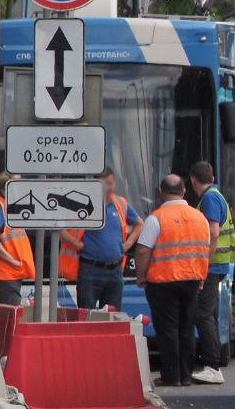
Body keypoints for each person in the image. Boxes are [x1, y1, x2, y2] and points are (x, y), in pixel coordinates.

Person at [135, 174, 210, 387]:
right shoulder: (199, 218)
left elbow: (143, 251)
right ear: (184, 191)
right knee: (187, 328)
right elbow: (205, 249)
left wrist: (141, 276)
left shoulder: (156, 218)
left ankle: (171, 376)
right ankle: (186, 375)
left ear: (161, 192)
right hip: (192, 281)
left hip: (163, 282)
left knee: (168, 329)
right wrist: (201, 276)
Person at [62, 166, 142, 310]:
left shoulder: (121, 203)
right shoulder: (82, 203)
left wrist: (127, 245)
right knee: (87, 317)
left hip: (115, 271)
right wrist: (77, 245)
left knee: (112, 319)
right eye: (104, 185)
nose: (108, 188)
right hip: (90, 270)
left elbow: (139, 224)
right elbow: (59, 229)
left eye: (110, 183)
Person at [188, 161, 235, 385]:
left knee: (203, 314)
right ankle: (213, 364)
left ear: (192, 180)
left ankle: (212, 366)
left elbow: (213, 232)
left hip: (212, 265)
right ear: (212, 178)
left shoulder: (209, 198)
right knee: (209, 314)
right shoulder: (216, 195)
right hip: (218, 265)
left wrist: (203, 265)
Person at [0, 172, 35, 307]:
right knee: (9, 320)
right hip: (7, 274)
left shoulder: (12, 208)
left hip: (13, 273)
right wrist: (12, 261)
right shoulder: (0, 206)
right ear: (3, 189)